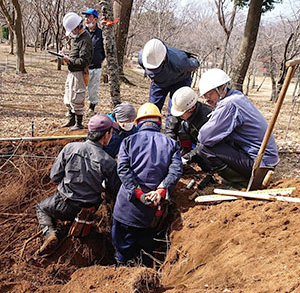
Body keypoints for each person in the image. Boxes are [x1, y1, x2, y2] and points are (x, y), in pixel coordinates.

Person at [36, 113, 121, 257]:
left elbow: (54, 176)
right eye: (111, 132)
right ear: (106, 135)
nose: (112, 135)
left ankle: (50, 233)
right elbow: (115, 190)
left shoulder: (70, 148)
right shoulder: (109, 162)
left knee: (41, 208)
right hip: (89, 210)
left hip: (63, 205)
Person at [112, 103, 182, 266]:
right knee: (148, 251)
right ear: (159, 122)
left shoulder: (128, 141)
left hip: (127, 210)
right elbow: (176, 171)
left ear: (138, 123)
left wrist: (138, 194)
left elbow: (122, 169)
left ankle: (119, 275)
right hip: (153, 212)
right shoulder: (171, 143)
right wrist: (161, 190)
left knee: (123, 251)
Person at [197, 68, 279, 188]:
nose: (207, 99)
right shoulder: (237, 96)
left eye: (210, 94)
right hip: (266, 160)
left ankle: (242, 184)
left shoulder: (230, 104)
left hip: (261, 165)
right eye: (204, 95)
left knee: (204, 147)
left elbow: (204, 137)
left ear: (222, 88)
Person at [138, 38, 200, 126]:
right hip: (159, 83)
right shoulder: (142, 58)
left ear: (164, 58)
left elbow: (196, 63)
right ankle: (150, 131)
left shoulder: (180, 61)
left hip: (180, 81)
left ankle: (170, 135)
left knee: (174, 111)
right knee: (152, 109)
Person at [167, 86, 212, 171]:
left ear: (192, 108)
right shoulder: (180, 107)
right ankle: (185, 150)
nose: (179, 115)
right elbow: (170, 130)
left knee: (208, 167)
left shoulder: (206, 118)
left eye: (182, 113)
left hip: (205, 147)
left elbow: (203, 146)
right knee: (182, 128)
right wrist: (168, 150)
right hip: (190, 138)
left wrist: (185, 159)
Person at [62, 12, 93, 131]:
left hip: (79, 72)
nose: (72, 33)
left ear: (76, 27)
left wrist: (69, 60)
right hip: (72, 71)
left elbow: (84, 61)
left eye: (72, 30)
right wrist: (66, 57)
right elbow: (76, 56)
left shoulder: (85, 40)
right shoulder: (78, 38)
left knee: (77, 97)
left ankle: (79, 123)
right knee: (68, 96)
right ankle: (71, 119)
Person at [82, 8, 106, 116]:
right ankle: (77, 110)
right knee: (79, 89)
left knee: (93, 89)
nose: (86, 19)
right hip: (83, 68)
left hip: (96, 67)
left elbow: (105, 50)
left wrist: (100, 59)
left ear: (95, 19)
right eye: (85, 17)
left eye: (89, 17)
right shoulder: (82, 33)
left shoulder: (101, 33)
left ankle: (91, 108)